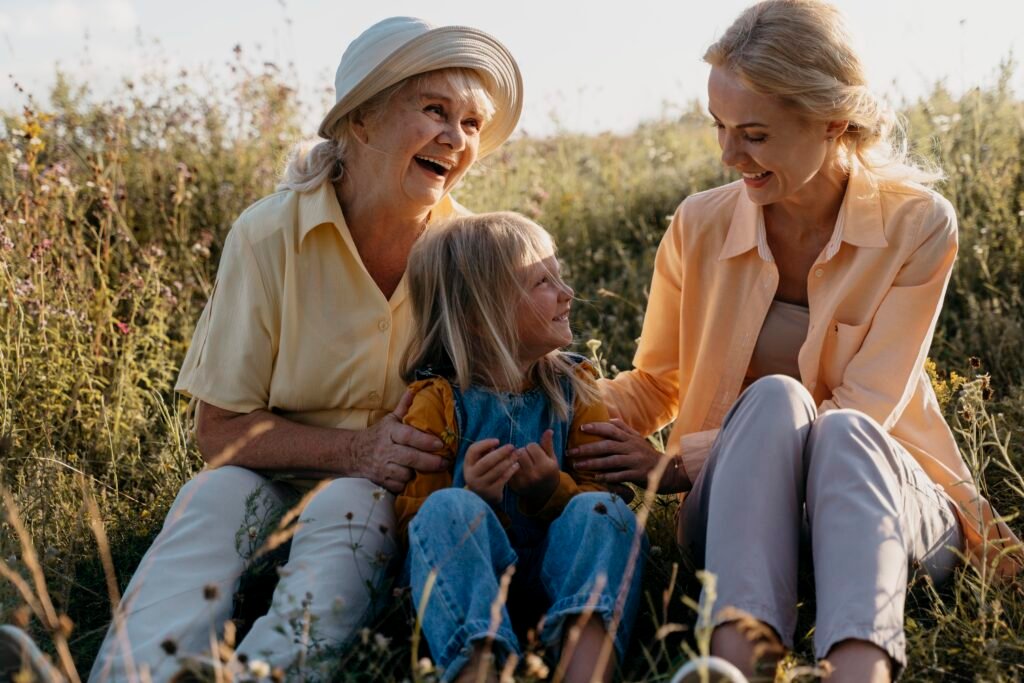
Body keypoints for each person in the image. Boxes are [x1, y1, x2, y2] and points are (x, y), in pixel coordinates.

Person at [569, 2, 1021, 683]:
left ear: (834, 121)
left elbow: (865, 409)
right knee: (778, 399)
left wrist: (676, 462)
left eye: (753, 133)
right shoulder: (699, 226)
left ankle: (857, 671)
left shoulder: (918, 225)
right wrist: (547, 397)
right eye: (719, 128)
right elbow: (657, 382)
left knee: (840, 432)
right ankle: (732, 666)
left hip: (879, 506)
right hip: (739, 519)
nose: (728, 155)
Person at [80, 16, 524, 683]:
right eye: (434, 110)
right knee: (214, 496)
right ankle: (133, 674)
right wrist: (356, 447)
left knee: (353, 506)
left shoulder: (470, 256)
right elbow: (220, 430)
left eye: (470, 123)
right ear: (362, 121)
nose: (456, 139)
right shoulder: (269, 235)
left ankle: (268, 674)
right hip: (264, 474)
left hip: (382, 501)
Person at [394, 213, 646, 683]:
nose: (567, 293)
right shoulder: (437, 403)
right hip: (470, 589)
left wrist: (550, 491)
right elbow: (415, 526)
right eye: (542, 283)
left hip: (557, 576)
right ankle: (481, 668)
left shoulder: (577, 387)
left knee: (601, 511)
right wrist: (476, 496)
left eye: (560, 276)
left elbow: (603, 492)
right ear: (477, 314)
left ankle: (584, 666)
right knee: (448, 507)